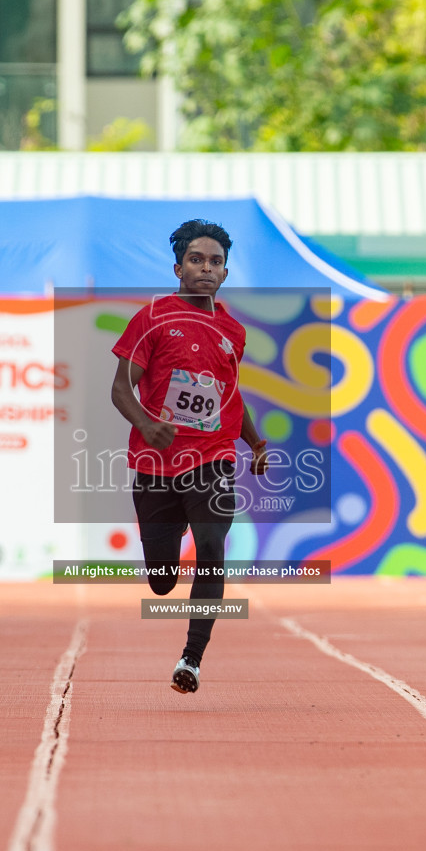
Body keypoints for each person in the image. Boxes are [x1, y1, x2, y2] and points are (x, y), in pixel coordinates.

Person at [110, 220, 268, 694]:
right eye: (196, 260)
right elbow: (120, 388)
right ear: (178, 267)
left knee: (213, 546)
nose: (206, 268)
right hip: (156, 463)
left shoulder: (234, 332)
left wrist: (255, 443)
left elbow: (230, 399)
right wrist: (145, 423)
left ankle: (191, 660)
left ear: (224, 272)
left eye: (215, 261)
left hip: (213, 459)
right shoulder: (152, 317)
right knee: (161, 581)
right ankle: (170, 529)